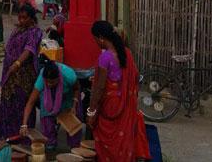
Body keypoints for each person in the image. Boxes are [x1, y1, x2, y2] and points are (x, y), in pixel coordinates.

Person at [87, 21, 151, 161]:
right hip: (126, 103)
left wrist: (91, 112)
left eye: (95, 39)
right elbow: (132, 77)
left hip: (111, 105)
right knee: (123, 140)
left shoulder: (105, 57)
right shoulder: (127, 53)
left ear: (101, 38)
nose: (96, 42)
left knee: (107, 140)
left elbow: (100, 88)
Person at [0, 5, 43, 139]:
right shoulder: (18, 29)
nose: (21, 20)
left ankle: (22, 136)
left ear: (31, 18)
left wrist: (17, 63)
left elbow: (29, 50)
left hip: (23, 75)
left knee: (21, 103)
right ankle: (7, 135)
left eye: (25, 18)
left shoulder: (35, 32)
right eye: (20, 17)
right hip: (9, 72)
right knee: (8, 102)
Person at [21, 60, 82, 151]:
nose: (49, 84)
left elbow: (77, 89)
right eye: (47, 82)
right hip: (48, 98)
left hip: (68, 98)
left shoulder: (69, 75)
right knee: (47, 124)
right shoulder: (41, 80)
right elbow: (30, 102)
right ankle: (50, 147)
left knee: (73, 125)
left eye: (52, 82)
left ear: (59, 78)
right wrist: (24, 124)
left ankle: (75, 148)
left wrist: (73, 106)